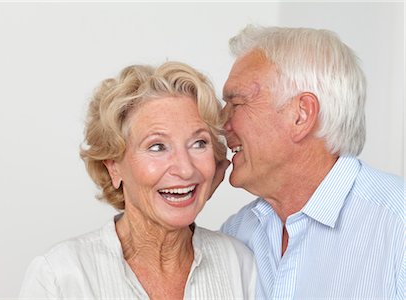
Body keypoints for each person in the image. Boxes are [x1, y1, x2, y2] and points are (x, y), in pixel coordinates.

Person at [19, 61, 256, 299]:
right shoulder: (60, 276)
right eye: (157, 146)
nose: (185, 169)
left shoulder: (239, 264)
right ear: (113, 167)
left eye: (199, 143)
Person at [219, 25, 405, 299]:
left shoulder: (398, 224)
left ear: (301, 115)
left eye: (236, 104)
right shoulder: (236, 234)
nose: (221, 124)